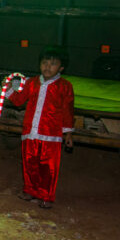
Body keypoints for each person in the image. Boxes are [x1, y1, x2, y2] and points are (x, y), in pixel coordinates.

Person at [6, 46, 75, 209]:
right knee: (29, 163)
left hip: (51, 135)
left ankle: (46, 196)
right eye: (44, 63)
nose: (47, 67)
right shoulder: (32, 83)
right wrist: (8, 89)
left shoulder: (64, 86)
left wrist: (68, 133)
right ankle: (29, 190)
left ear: (61, 68)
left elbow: (67, 110)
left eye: (53, 64)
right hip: (30, 132)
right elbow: (19, 100)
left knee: (48, 167)